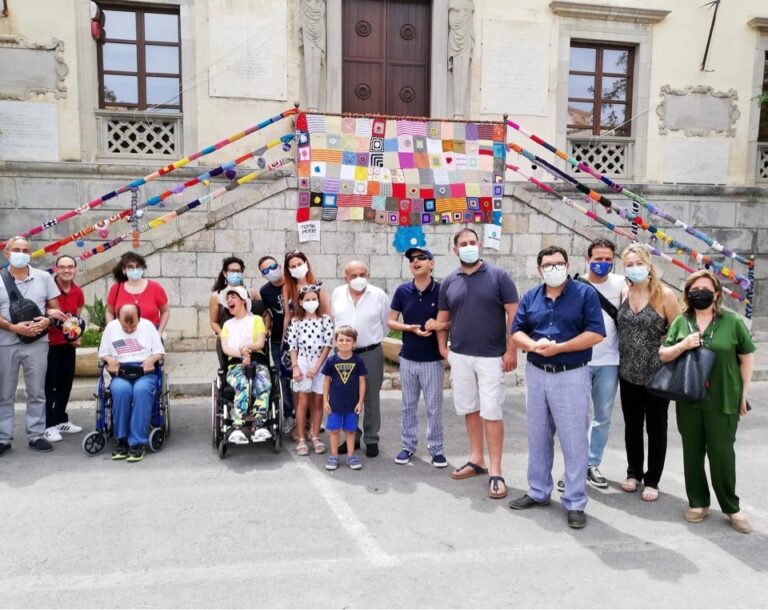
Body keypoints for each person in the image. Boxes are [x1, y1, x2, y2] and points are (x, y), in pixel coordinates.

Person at [509, 246, 606, 529]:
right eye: (549, 265)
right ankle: (538, 491)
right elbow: (516, 331)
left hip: (571, 373)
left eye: (559, 263)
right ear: (539, 269)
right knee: (538, 435)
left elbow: (595, 333)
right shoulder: (531, 296)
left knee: (574, 440)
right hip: (537, 373)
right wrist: (533, 345)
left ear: (568, 265)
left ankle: (575, 502)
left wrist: (560, 348)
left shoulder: (585, 294)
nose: (555, 269)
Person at [659, 270, 756, 533]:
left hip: (723, 398)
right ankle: (698, 502)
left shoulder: (732, 322)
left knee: (722, 454)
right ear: (687, 294)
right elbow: (664, 354)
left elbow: (747, 357)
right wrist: (683, 345)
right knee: (692, 452)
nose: (699, 293)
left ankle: (731, 507)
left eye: (705, 289)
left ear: (716, 294)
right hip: (689, 398)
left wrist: (743, 394)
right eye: (694, 290)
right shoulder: (682, 322)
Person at [435, 228, 519, 499]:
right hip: (460, 356)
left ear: (480, 245)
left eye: (472, 242)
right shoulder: (449, 281)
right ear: (455, 250)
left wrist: (511, 351)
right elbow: (442, 318)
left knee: (492, 411)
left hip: (491, 357)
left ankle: (496, 470)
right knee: (469, 408)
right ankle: (477, 460)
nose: (468, 246)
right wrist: (443, 348)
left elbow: (514, 316)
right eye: (463, 243)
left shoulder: (499, 277)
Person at [557, 239, 625, 490]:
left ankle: (591, 464)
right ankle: (571, 469)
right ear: (587, 260)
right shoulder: (574, 287)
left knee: (602, 417)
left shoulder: (622, 284)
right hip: (579, 362)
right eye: (598, 259)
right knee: (575, 418)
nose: (603, 263)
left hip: (610, 362)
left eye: (608, 259)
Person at [616, 244, 680, 501]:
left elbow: (678, 331)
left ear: (649, 266)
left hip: (657, 374)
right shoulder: (625, 291)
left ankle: (652, 479)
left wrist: (666, 346)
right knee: (632, 426)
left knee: (656, 428)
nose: (634, 268)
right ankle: (634, 472)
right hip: (628, 372)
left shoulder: (665, 295)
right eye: (629, 265)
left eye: (639, 263)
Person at [0, 236, 62, 455]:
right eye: (16, 249)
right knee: (4, 393)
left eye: (25, 250)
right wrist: (13, 327)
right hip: (5, 343)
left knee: (37, 391)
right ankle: (3, 438)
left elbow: (55, 308)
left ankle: (36, 435)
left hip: (37, 342)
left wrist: (48, 320)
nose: (21, 254)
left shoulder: (44, 277)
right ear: (7, 253)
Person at [388, 247, 447, 468]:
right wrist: (409, 328)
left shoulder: (442, 291)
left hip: (432, 359)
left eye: (421, 257)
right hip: (408, 358)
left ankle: (437, 450)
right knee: (408, 406)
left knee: (434, 408)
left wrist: (439, 324)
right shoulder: (402, 291)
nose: (416, 261)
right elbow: (391, 321)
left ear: (432, 263)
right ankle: (408, 446)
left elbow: (453, 321)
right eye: (412, 259)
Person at [331, 260, 389, 458]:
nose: (358, 279)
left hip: (370, 352)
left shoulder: (379, 296)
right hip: (344, 354)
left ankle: (371, 438)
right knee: (346, 395)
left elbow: (385, 324)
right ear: (345, 278)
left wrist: (370, 339)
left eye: (362, 274)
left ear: (368, 275)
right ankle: (352, 436)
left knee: (371, 396)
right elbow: (334, 321)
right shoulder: (337, 294)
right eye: (353, 275)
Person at [99, 303, 165, 462]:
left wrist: (152, 360)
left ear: (139, 318)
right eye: (124, 327)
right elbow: (103, 353)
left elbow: (159, 352)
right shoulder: (111, 328)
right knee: (120, 391)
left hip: (144, 370)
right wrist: (110, 360)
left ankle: (136, 442)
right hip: (120, 371)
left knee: (141, 391)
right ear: (118, 319)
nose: (129, 330)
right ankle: (121, 438)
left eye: (133, 326)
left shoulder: (148, 326)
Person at [219, 286, 272, 444]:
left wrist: (246, 349)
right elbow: (225, 348)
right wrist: (242, 354)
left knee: (263, 383)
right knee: (242, 384)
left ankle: (259, 424)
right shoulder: (227, 325)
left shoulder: (256, 320)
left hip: (257, 360)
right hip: (235, 363)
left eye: (233, 297)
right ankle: (237, 426)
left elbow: (260, 343)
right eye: (228, 298)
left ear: (243, 301)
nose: (229, 300)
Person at [286, 286, 333, 456]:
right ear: (300, 302)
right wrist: (295, 367)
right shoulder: (296, 321)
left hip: (320, 364)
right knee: (302, 402)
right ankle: (301, 438)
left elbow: (328, 344)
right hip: (302, 363)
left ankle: (315, 436)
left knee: (318, 401)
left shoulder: (325, 320)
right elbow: (292, 346)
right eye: (307, 299)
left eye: (314, 299)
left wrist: (317, 367)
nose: (311, 302)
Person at [44, 255, 86, 442]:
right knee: (48, 386)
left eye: (70, 267)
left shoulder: (78, 291)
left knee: (65, 383)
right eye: (62, 267)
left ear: (75, 270)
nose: (66, 270)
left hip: (68, 345)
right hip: (48, 344)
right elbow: (37, 310)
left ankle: (61, 419)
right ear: (56, 269)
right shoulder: (47, 288)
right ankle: (48, 425)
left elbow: (77, 317)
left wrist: (76, 336)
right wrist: (48, 311)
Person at [258, 255, 295, 434]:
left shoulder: (293, 282)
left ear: (279, 266)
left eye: (273, 267)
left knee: (303, 377)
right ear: (262, 275)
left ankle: (308, 418)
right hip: (278, 340)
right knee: (283, 378)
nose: (271, 272)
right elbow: (267, 313)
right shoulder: (265, 291)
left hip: (300, 338)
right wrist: (266, 329)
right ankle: (289, 415)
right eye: (265, 270)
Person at [322, 326, 367, 471]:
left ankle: (351, 456)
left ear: (354, 343)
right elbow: (326, 381)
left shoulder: (358, 361)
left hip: (352, 404)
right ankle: (334, 456)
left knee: (350, 430)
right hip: (335, 404)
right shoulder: (331, 361)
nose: (344, 343)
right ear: (335, 342)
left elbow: (362, 382)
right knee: (334, 430)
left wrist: (360, 401)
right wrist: (325, 400)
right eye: (341, 340)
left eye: (348, 340)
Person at [209, 256, 262, 367]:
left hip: (251, 341)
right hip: (228, 341)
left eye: (238, 271)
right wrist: (224, 335)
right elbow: (213, 322)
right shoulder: (216, 296)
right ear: (225, 273)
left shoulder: (251, 292)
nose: (235, 273)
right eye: (232, 271)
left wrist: (265, 330)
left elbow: (264, 311)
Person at [106, 251, 170, 334]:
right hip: (123, 334)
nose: (135, 270)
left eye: (138, 266)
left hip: (150, 334)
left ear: (143, 268)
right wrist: (112, 330)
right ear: (124, 270)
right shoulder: (116, 288)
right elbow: (109, 312)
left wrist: (159, 332)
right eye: (130, 267)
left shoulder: (155, 287)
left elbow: (165, 311)